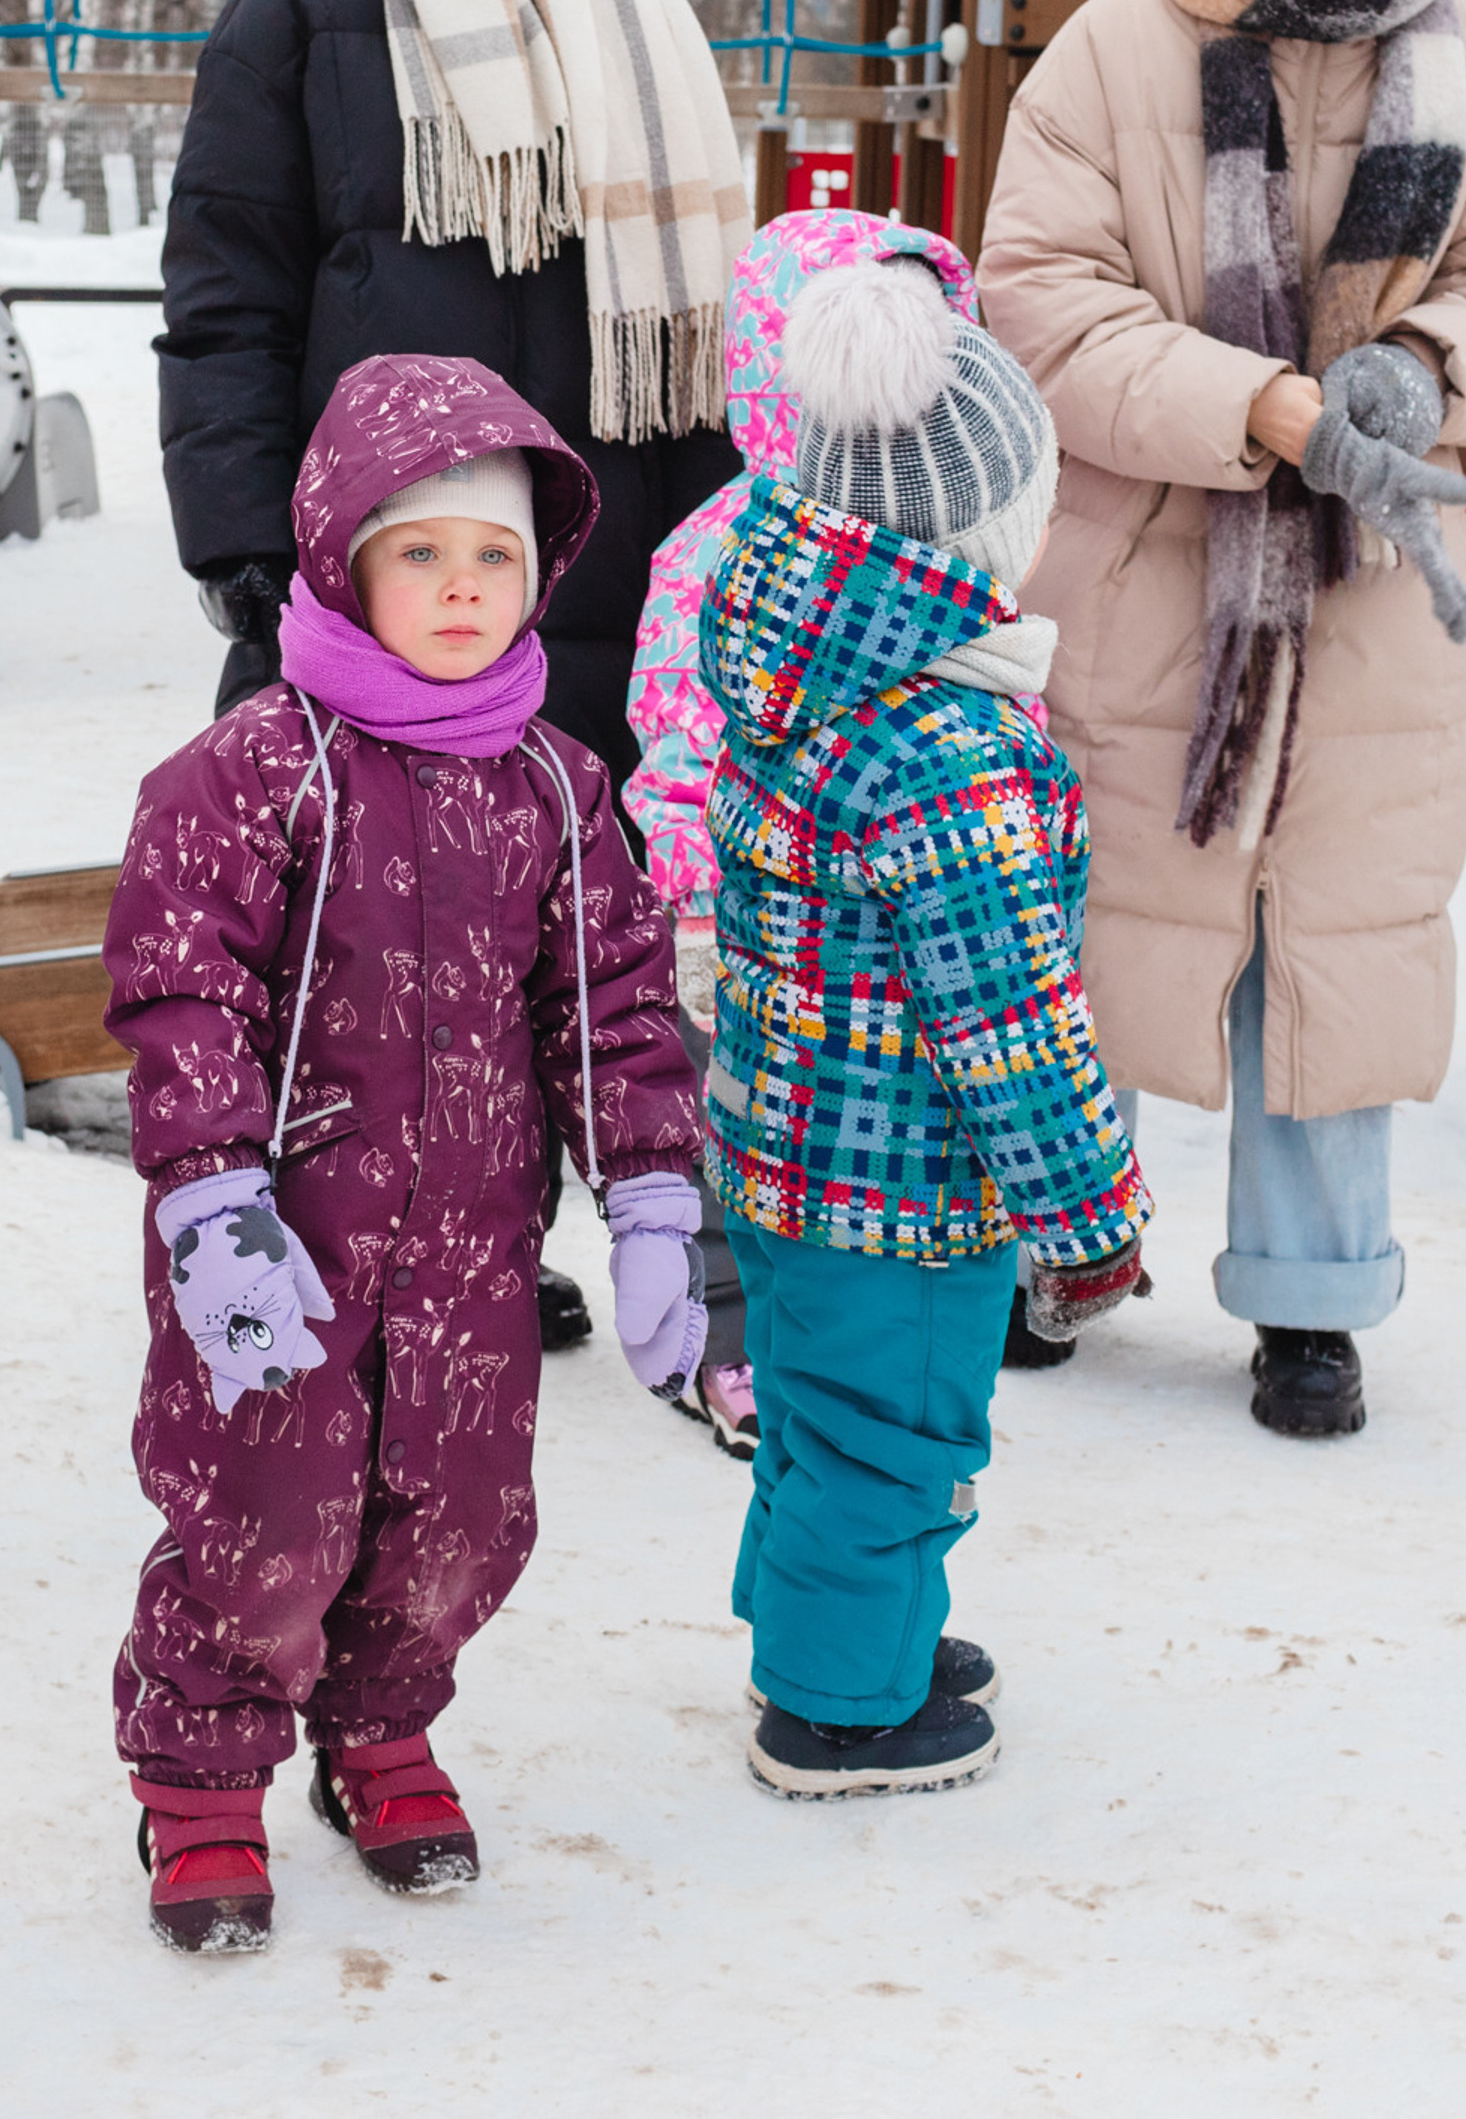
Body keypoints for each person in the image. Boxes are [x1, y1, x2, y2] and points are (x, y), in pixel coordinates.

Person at [978, 0, 1466, 1435]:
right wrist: (1251, 408)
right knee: (1096, 928)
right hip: (1153, 568)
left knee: (1338, 938)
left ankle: (1313, 1296)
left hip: (1376, 584)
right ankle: (1053, 1241)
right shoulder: (1114, 51)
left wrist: (1422, 368)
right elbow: (1041, 294)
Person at [155, 0, 753, 1353]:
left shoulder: (632, 4)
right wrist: (249, 548)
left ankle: (618, 1228)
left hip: (612, 535)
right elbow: (228, 297)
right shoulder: (305, 4)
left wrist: (722, 534)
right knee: (379, 936)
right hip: (391, 564)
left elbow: (694, 307)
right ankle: (399, 1236)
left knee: (588, 918)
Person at [103, 352, 706, 1951]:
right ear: (344, 557)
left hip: (471, 1257)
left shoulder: (559, 791)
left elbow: (618, 1002)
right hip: (277, 1251)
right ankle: (204, 1771)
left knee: (456, 1515)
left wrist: (649, 1195)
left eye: (496, 555)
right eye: (422, 551)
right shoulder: (252, 771)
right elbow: (180, 989)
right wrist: (215, 1198)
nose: (461, 587)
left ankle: (381, 1729)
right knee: (266, 1516)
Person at [700, 245, 1152, 1799]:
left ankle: (825, 1623)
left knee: (824, 1421)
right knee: (897, 1439)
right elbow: (1010, 1024)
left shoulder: (796, 661)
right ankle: (838, 1706)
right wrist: (1088, 1212)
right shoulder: (951, 747)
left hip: (779, 1155)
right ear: (980, 531)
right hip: (903, 1191)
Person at [624, 210, 985, 1455]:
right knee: (730, 1122)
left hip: (883, 913)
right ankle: (726, 1339)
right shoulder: (722, 547)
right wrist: (686, 888)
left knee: (857, 1120)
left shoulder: (948, 546)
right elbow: (673, 726)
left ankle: (865, 1314)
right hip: (740, 904)